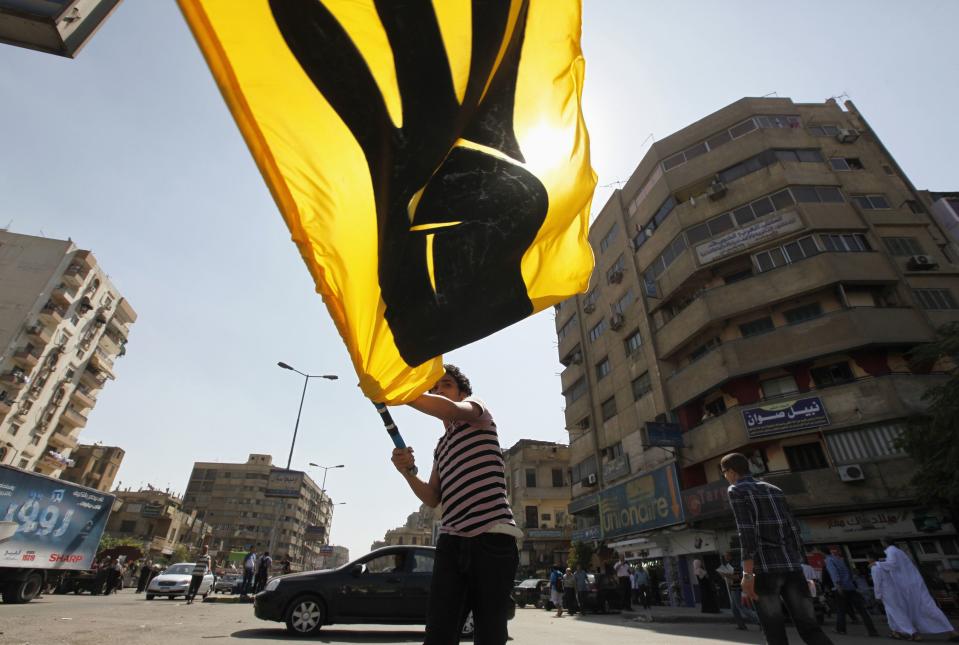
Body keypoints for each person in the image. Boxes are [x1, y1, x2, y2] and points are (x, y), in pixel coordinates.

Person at [391, 365, 520, 645]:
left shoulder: (478, 411)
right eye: (434, 389)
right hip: (451, 543)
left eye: (446, 385)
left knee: (489, 633)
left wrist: (399, 393)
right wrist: (407, 471)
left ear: (462, 392)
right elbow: (432, 497)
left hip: (492, 538)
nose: (439, 391)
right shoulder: (441, 447)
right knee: (438, 633)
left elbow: (450, 410)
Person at [722, 452, 833, 645]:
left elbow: (746, 532)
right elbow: (793, 529)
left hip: (764, 570)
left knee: (774, 631)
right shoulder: (774, 489)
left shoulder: (736, 490)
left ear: (731, 471)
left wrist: (747, 574)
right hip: (792, 566)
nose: (725, 476)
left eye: (724, 472)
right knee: (810, 628)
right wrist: (799, 564)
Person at [872, 545, 959, 641]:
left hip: (910, 586)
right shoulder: (898, 552)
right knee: (919, 608)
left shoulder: (891, 551)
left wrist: (877, 564)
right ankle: (900, 632)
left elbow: (892, 564)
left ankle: (949, 632)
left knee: (926, 608)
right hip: (909, 585)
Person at [825, 545, 878, 636]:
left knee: (841, 610)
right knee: (862, 610)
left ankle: (841, 629)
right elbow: (850, 573)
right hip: (850, 587)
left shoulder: (830, 560)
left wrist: (838, 586)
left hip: (841, 588)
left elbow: (834, 573)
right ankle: (872, 630)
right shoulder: (842, 560)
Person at [717, 551, 758, 630]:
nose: (725, 557)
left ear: (730, 556)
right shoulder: (730, 564)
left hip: (737, 588)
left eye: (726, 556)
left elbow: (737, 577)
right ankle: (741, 625)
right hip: (734, 588)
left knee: (741, 607)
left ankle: (759, 620)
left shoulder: (734, 565)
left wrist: (724, 574)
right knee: (734, 609)